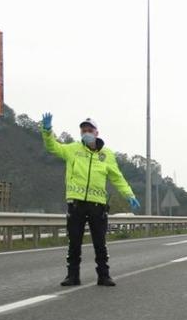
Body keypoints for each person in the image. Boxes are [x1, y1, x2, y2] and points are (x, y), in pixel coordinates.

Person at [41, 113, 140, 287]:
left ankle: (104, 275)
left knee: (100, 242)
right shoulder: (73, 149)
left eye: (89, 130)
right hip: (76, 204)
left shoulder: (107, 155)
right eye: (83, 130)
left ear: (96, 132)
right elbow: (52, 147)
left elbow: (117, 178)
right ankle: (72, 276)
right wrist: (47, 130)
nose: (86, 132)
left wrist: (129, 195)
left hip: (98, 205)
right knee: (74, 242)